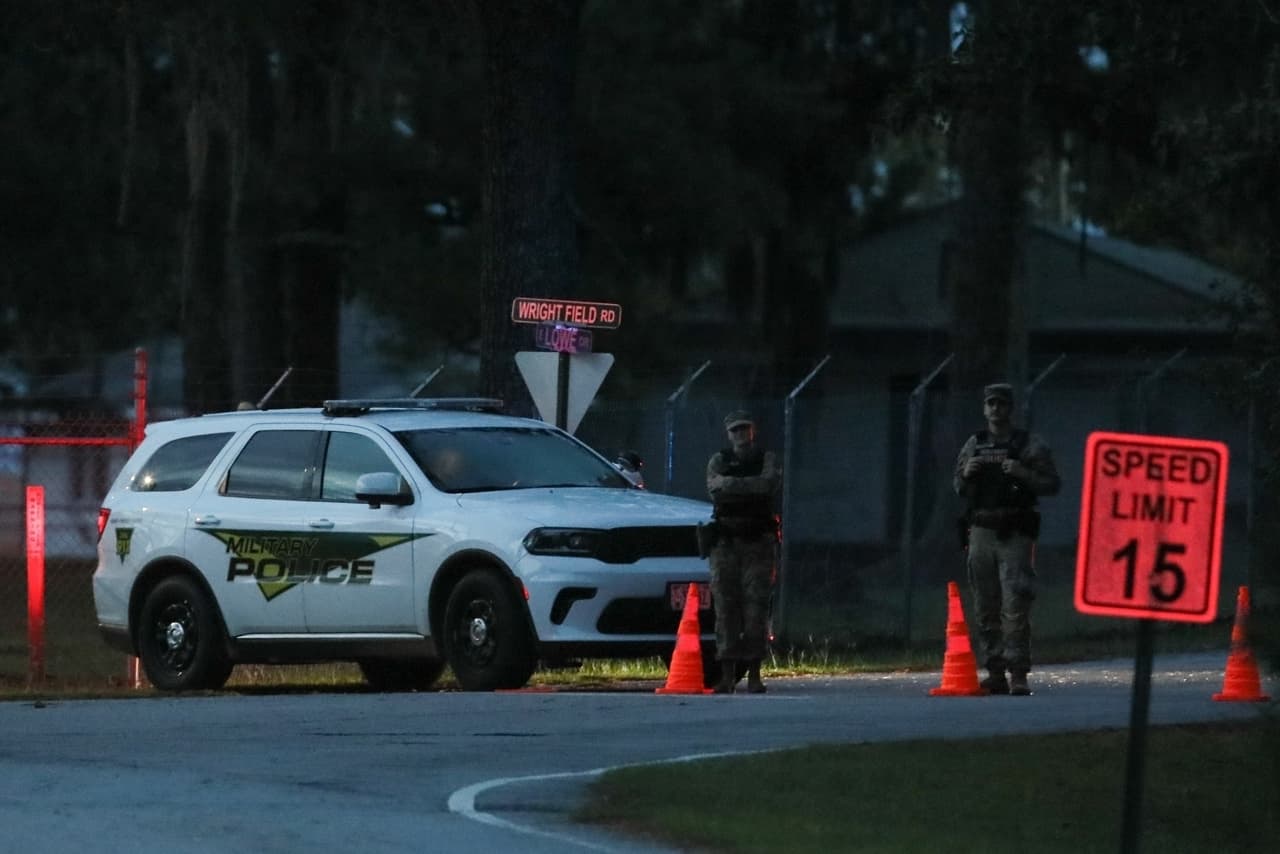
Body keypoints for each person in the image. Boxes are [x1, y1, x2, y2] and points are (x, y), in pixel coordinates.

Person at [953, 382, 1061, 696]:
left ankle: (1018, 672)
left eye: (1001, 404)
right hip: (982, 531)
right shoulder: (975, 444)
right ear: (985, 408)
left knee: (1015, 603)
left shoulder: (1028, 444)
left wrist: (1022, 472)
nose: (996, 409)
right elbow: (958, 485)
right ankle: (995, 670)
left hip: (1013, 531)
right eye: (991, 404)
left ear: (1010, 408)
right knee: (985, 605)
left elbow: (1051, 483)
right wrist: (967, 474)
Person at [705, 410, 781, 694]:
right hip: (726, 542)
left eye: (744, 429)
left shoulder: (766, 459)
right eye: (735, 430)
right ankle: (727, 674)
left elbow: (767, 486)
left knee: (756, 608)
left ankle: (754, 674)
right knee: (726, 607)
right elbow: (715, 489)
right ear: (728, 433)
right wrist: (745, 487)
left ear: (753, 430)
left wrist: (732, 484)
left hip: (758, 544)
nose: (740, 434)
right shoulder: (719, 460)